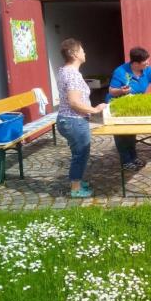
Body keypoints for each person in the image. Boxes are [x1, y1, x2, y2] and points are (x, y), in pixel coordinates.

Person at [55, 38, 106, 198]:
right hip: (74, 121)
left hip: (66, 120)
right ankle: (76, 188)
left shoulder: (64, 70)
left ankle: (76, 181)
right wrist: (95, 109)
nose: (85, 53)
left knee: (77, 153)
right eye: (82, 50)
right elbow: (74, 102)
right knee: (81, 154)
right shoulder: (73, 75)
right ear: (75, 54)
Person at [106, 47, 151, 171]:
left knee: (131, 132)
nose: (148, 63)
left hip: (133, 107)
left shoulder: (147, 70)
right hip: (118, 107)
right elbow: (111, 91)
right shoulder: (120, 71)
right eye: (145, 62)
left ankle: (133, 157)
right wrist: (121, 90)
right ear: (135, 63)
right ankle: (125, 160)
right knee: (121, 134)